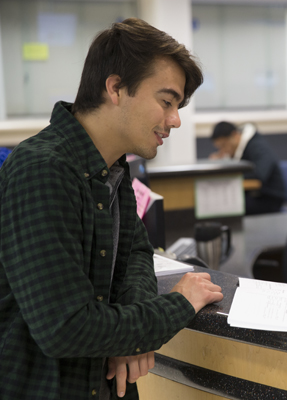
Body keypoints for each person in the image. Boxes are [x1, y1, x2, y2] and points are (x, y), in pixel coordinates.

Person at [0, 18, 224, 399]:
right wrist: (177, 307)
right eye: (166, 102)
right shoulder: (42, 171)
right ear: (116, 88)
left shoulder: (112, 168)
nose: (175, 120)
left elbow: (137, 251)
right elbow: (65, 327)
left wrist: (132, 336)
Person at [210, 121, 286, 215]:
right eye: (219, 148)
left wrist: (230, 174)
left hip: (269, 198)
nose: (223, 150)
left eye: (224, 145)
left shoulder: (258, 146)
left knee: (225, 206)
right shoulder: (240, 149)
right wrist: (222, 161)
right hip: (254, 195)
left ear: (235, 135)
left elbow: (259, 175)